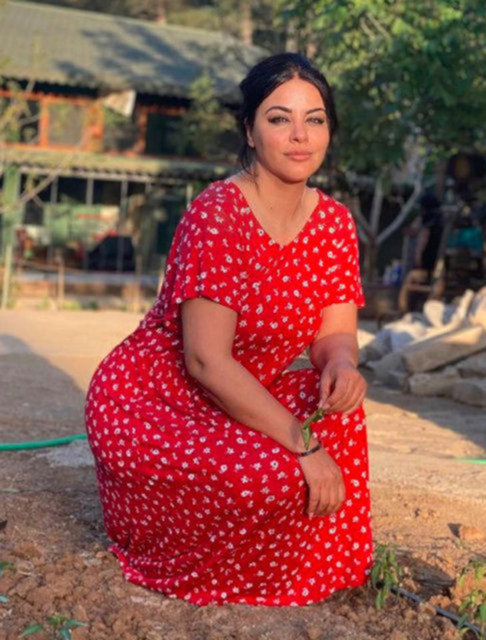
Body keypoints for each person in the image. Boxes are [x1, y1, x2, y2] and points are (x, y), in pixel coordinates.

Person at [85, 53, 372, 607]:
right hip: (156, 405)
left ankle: (299, 566)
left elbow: (335, 333)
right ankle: (203, 559)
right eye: (279, 118)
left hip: (244, 398)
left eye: (314, 119)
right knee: (274, 475)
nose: (300, 135)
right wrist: (302, 444)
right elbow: (206, 361)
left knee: (340, 414)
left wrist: (341, 365)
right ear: (249, 130)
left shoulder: (334, 223)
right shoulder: (218, 214)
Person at [398, 193, 444, 313]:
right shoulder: (442, 222)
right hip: (437, 266)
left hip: (426, 267)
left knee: (409, 279)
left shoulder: (427, 224)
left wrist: (417, 260)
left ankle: (404, 310)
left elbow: (422, 243)